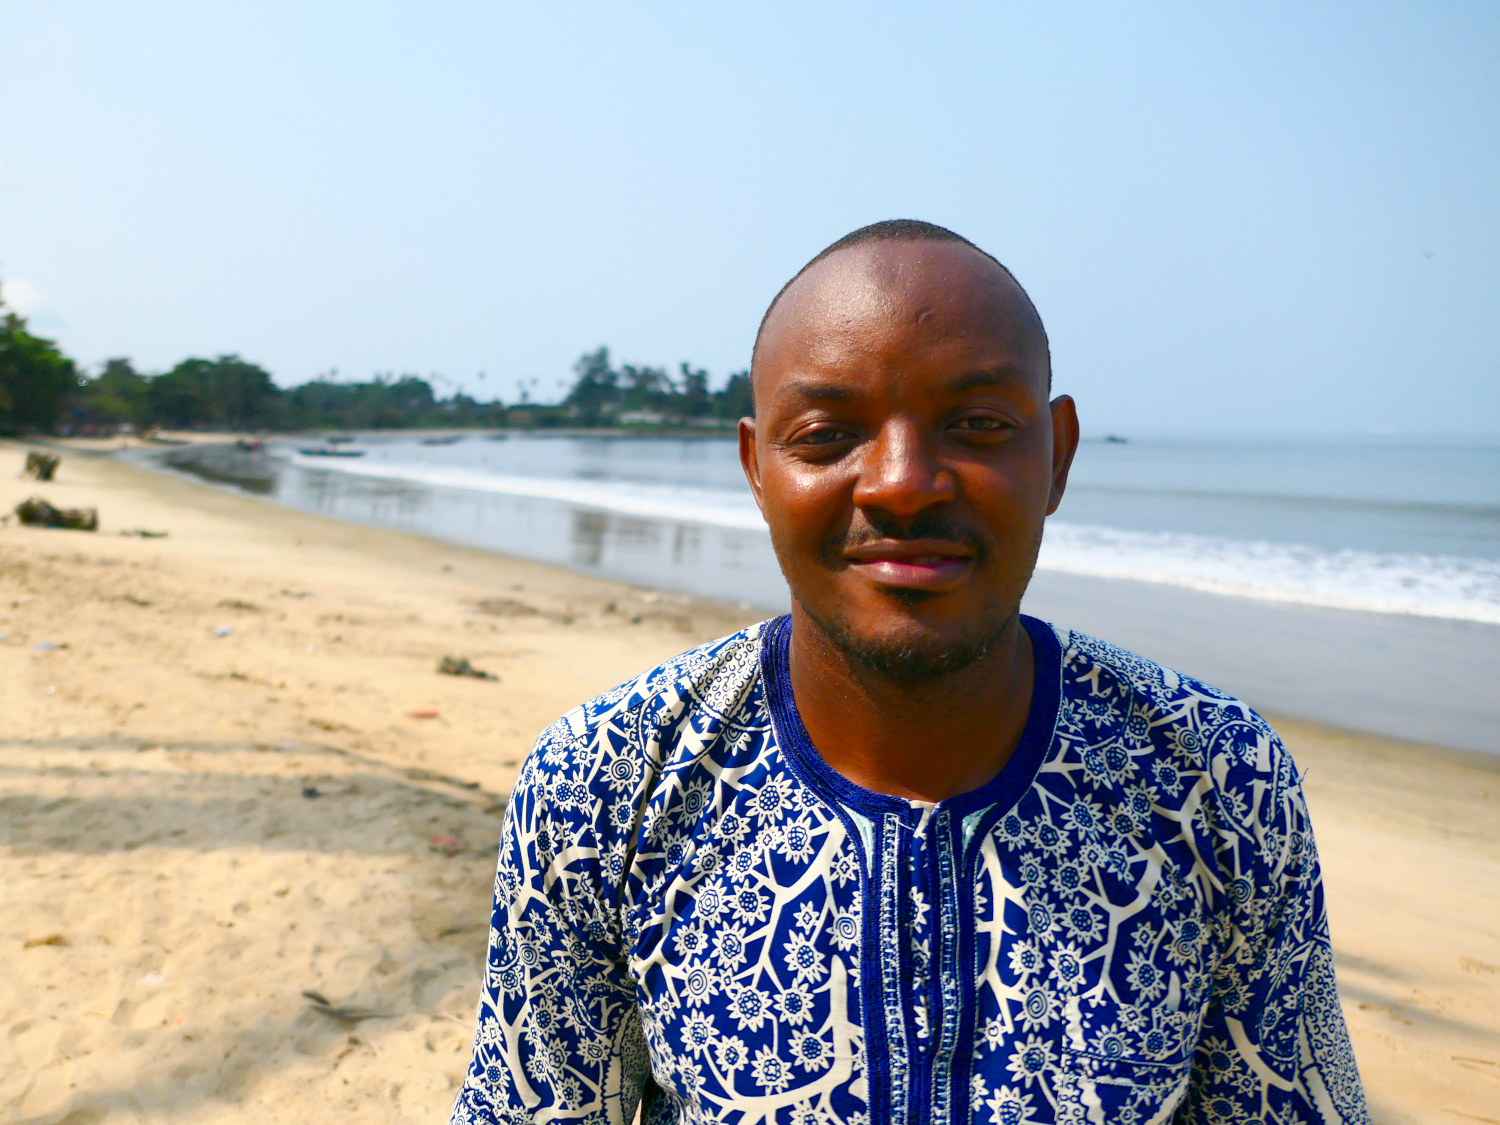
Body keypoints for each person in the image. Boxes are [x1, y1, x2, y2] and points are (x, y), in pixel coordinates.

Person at [450, 220, 1369, 1125]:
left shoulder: (1218, 780)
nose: (901, 482)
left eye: (976, 424)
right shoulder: (603, 784)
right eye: (825, 434)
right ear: (757, 468)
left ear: (1057, 454)